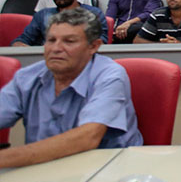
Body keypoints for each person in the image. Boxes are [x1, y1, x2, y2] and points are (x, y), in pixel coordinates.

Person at [0, 9, 142, 168]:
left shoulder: (109, 76)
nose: (56, 48)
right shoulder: (26, 77)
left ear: (94, 46)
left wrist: (7, 158)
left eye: (69, 41)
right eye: (51, 40)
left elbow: (87, 137)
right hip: (42, 171)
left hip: (104, 172)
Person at [13, 0, 108, 46]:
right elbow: (24, 39)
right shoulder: (43, 14)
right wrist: (20, 45)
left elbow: (101, 42)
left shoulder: (93, 14)